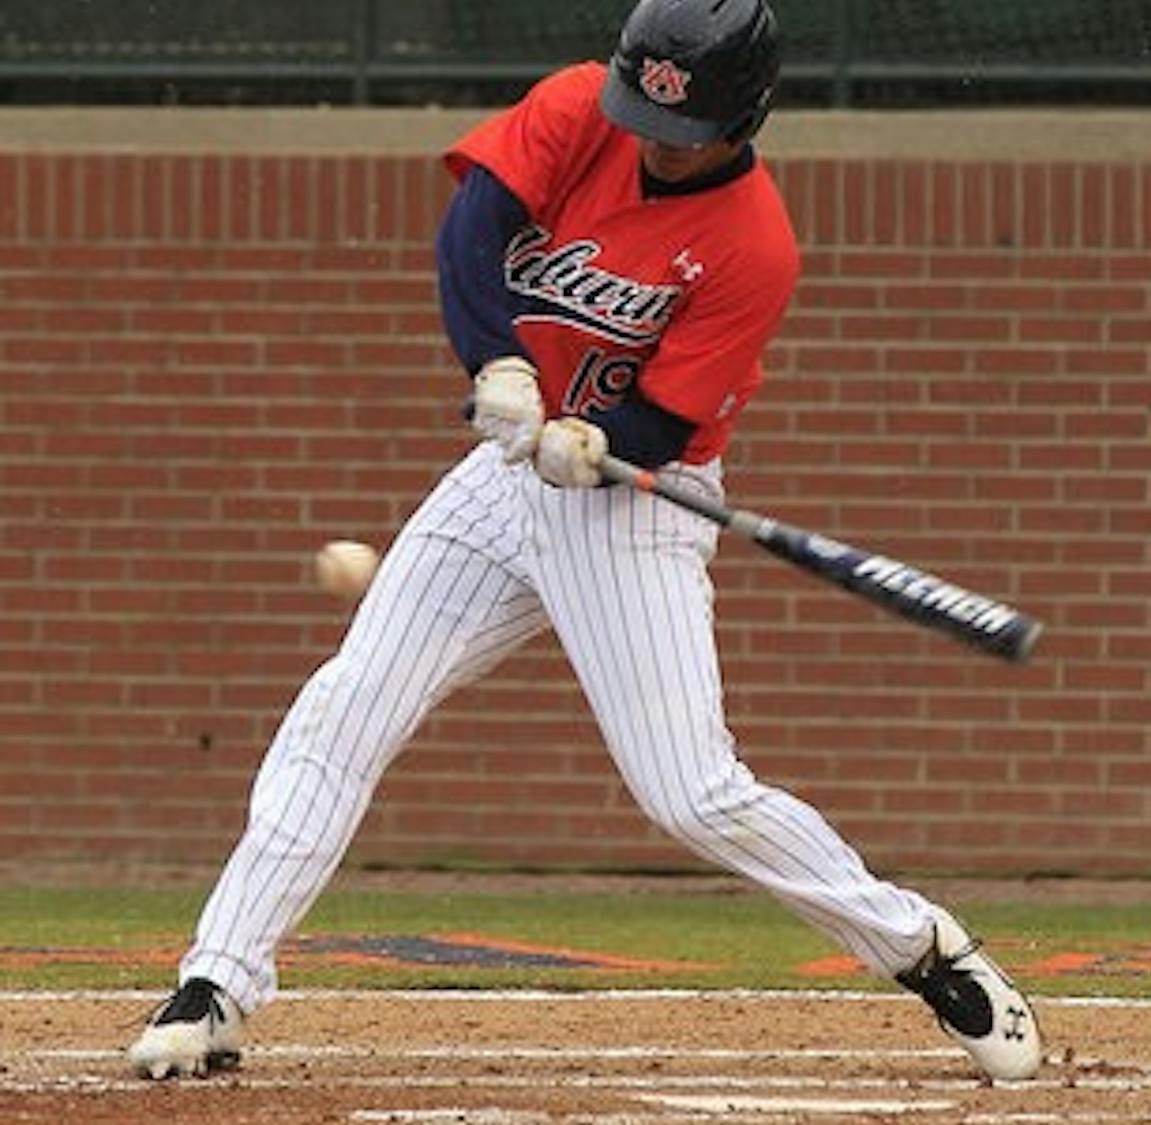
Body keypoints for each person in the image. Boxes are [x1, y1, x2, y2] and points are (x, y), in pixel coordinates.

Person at [125, 0, 1042, 1084]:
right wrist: (496, 366)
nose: (651, 139)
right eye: (642, 109)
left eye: (682, 123)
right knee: (348, 706)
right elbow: (471, 234)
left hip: (635, 500)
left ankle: (923, 947)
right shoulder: (577, 109)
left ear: (741, 118)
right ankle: (218, 984)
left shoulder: (755, 246)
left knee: (690, 793)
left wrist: (598, 440)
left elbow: (659, 425)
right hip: (505, 475)